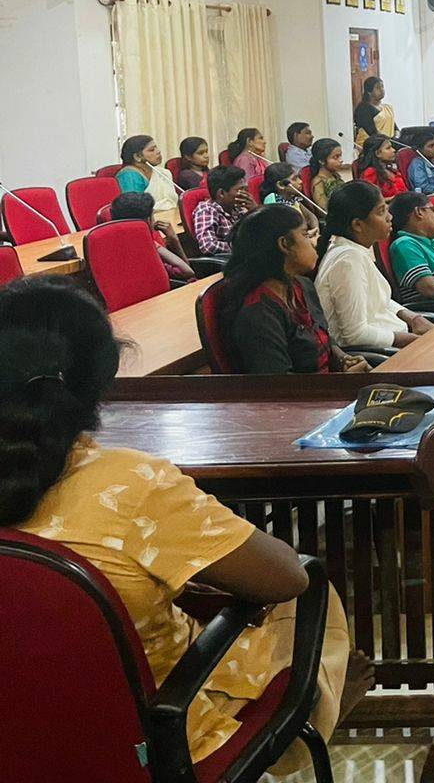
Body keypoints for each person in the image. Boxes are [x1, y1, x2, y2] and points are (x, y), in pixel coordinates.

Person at [0, 278, 369, 773]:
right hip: (149, 747)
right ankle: (305, 729)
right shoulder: (129, 484)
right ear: (99, 380)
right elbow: (286, 578)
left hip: (18, 740)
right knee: (309, 593)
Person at [219, 205, 368, 374]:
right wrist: (341, 382)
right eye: (305, 234)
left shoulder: (302, 285)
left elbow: (322, 337)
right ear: (285, 244)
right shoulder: (259, 313)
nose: (313, 242)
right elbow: (281, 388)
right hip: (310, 397)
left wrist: (343, 360)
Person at [316, 182, 434, 350]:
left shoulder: (355, 250)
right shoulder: (347, 260)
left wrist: (413, 318)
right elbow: (355, 334)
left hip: (395, 338)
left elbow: (379, 301)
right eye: (381, 212)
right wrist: (412, 341)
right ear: (357, 225)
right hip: (380, 354)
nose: (390, 217)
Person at [108, 191, 194, 283]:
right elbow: (188, 272)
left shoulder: (110, 244)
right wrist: (172, 240)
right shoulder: (144, 247)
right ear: (148, 221)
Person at [115, 134, 183, 226]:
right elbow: (135, 210)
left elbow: (172, 200)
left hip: (171, 218)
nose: (158, 151)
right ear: (137, 157)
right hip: (147, 224)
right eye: (152, 150)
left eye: (156, 148)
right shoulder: (129, 175)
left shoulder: (162, 173)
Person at [192, 165, 250, 257]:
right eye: (240, 190)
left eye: (246, 189)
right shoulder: (207, 210)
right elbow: (208, 246)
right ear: (221, 193)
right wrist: (240, 248)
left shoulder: (239, 208)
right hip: (229, 262)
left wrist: (254, 211)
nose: (245, 194)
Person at [403, 130, 434, 195]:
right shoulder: (417, 164)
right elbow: (423, 187)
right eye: (431, 146)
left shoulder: (432, 161)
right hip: (427, 197)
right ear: (419, 149)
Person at [354, 77, 396, 150]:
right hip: (370, 147)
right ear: (369, 92)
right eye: (377, 88)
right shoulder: (363, 109)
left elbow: (394, 127)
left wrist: (397, 137)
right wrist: (389, 141)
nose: (382, 90)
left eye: (382, 87)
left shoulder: (387, 107)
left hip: (388, 145)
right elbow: (372, 133)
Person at [225, 128, 270, 193]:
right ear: (250, 142)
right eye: (260, 138)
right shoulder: (244, 160)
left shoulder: (259, 157)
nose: (264, 142)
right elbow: (248, 186)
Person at [309, 137, 346, 213]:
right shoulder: (318, 182)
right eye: (336, 157)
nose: (341, 160)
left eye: (340, 155)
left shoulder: (335, 175)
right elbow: (323, 210)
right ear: (322, 161)